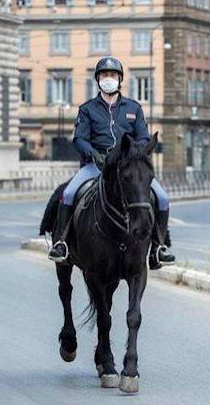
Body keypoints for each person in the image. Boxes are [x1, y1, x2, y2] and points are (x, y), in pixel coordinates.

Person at [48, 57, 176, 269]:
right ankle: (62, 243)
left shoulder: (134, 108)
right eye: (105, 75)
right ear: (98, 80)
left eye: (113, 75)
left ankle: (159, 247)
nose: (109, 79)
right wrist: (92, 153)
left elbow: (144, 137)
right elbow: (79, 138)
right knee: (68, 194)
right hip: (95, 165)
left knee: (161, 198)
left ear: (120, 80)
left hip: (127, 166)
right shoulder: (87, 109)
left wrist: (135, 153)